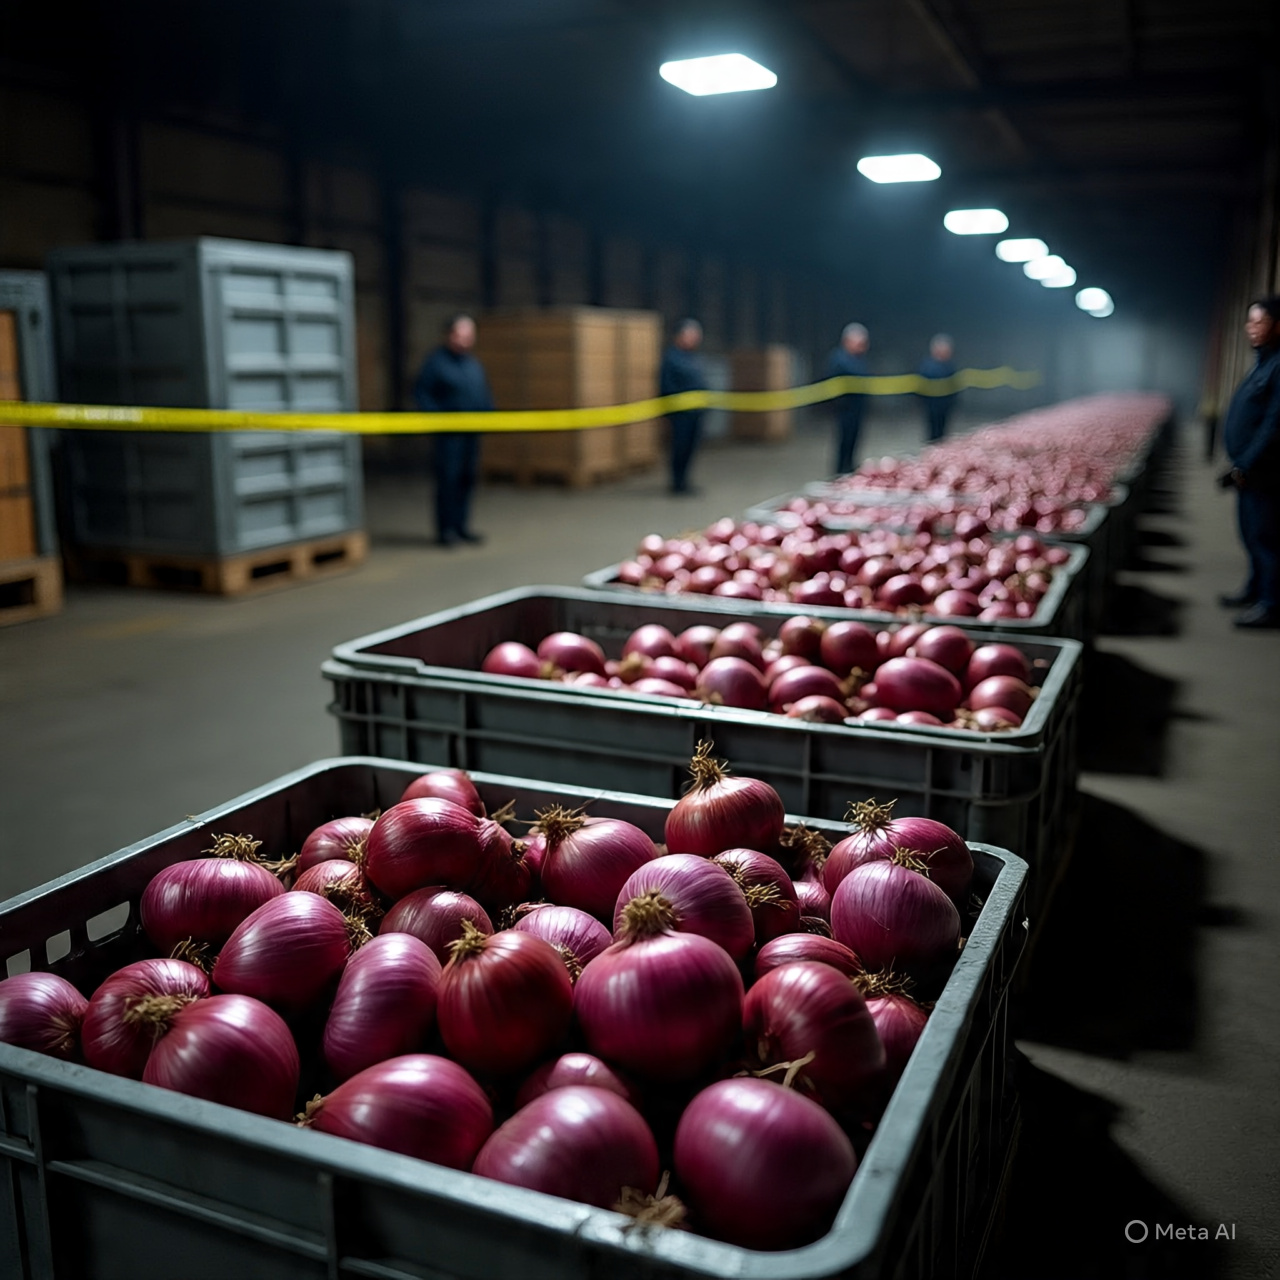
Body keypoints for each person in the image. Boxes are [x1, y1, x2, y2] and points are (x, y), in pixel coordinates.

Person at [1219, 295, 1280, 629]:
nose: (1251, 329)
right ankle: (1256, 591)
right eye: (1250, 321)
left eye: (1260, 322)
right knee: (1252, 535)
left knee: (1267, 537)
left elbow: (1275, 423)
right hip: (1250, 471)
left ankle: (1272, 604)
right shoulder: (1264, 362)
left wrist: (1249, 462)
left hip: (1267, 473)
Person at [413, 314, 492, 546]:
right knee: (448, 481)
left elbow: (483, 393)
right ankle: (445, 531)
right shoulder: (436, 363)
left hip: (471, 435)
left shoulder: (473, 364)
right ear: (449, 335)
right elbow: (421, 393)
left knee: (467, 480)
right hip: (449, 437)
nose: (465, 340)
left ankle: (461, 527)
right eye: (460, 335)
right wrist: (437, 420)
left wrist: (489, 416)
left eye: (469, 335)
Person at [660, 319, 707, 495]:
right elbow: (666, 386)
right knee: (679, 447)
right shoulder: (672, 358)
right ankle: (677, 483)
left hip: (696, 413)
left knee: (690, 448)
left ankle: (685, 481)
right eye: (691, 334)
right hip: (680, 414)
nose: (695, 338)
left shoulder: (693, 358)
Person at [824, 323, 870, 475]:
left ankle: (849, 469)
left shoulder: (858, 359)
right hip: (844, 407)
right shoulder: (839, 359)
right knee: (844, 440)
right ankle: (840, 472)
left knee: (855, 439)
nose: (862, 347)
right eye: (859, 343)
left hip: (857, 406)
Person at [917, 334, 958, 442]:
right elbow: (920, 385)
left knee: (943, 431)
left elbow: (954, 385)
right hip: (931, 405)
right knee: (932, 431)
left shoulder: (950, 366)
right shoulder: (927, 366)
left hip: (945, 405)